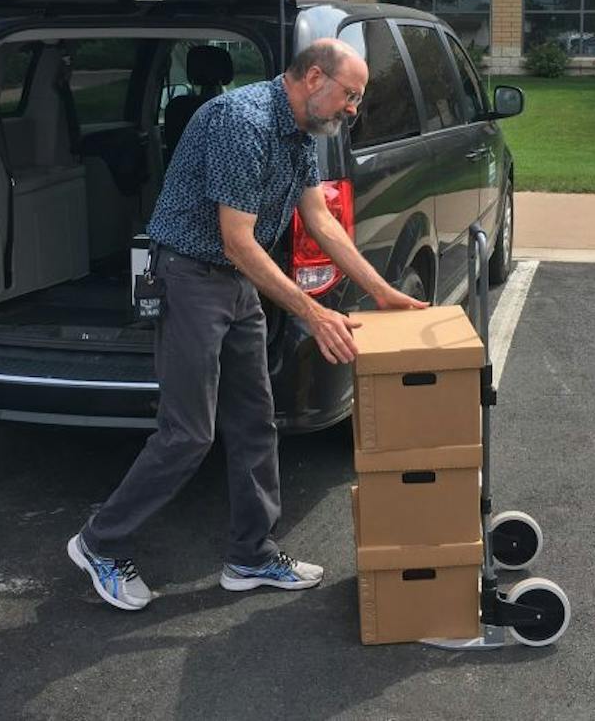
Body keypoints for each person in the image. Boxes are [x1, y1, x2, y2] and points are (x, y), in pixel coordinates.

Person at [68, 38, 428, 610]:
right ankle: (99, 542)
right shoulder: (243, 122)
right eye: (350, 96)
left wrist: (382, 292)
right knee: (188, 432)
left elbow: (321, 221)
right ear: (314, 77)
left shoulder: (297, 132)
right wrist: (312, 311)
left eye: (357, 100)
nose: (352, 110)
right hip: (191, 278)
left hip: (237, 283)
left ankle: (250, 557)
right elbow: (238, 241)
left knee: (256, 421)